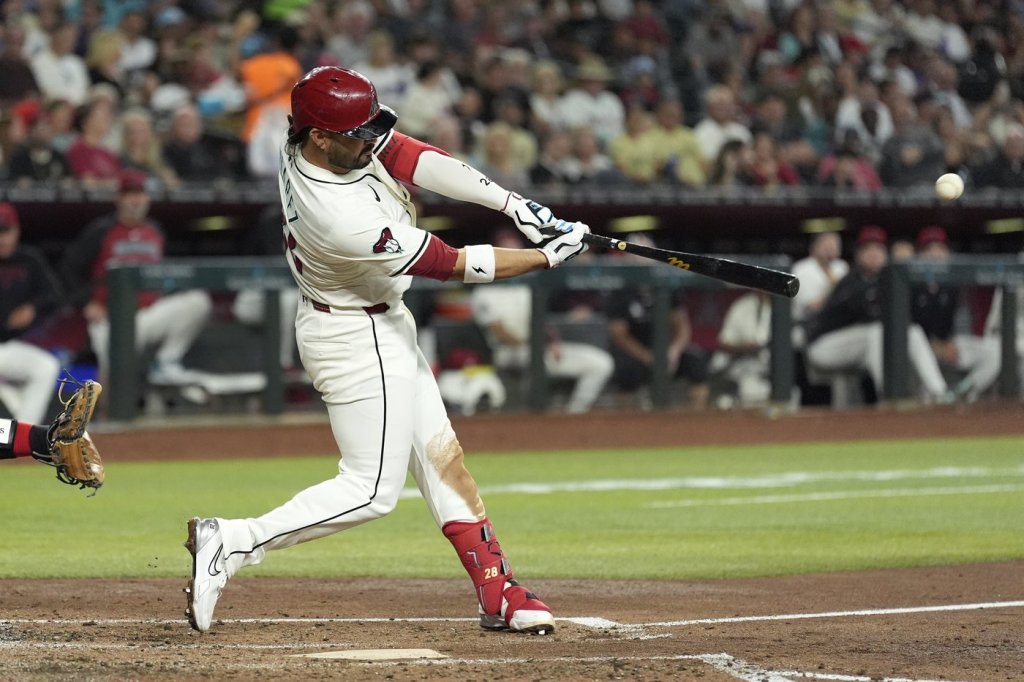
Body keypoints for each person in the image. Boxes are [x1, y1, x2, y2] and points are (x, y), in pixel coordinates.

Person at [184, 66, 591, 635]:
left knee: (441, 457)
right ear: (319, 137)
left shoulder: (318, 141)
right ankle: (232, 541)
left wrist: (515, 206)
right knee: (371, 491)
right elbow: (452, 264)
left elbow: (411, 155)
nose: (370, 141)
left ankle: (497, 589)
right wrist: (547, 256)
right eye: (357, 133)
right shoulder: (339, 216)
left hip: (379, 319)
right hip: (353, 335)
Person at [60, 171, 212, 386]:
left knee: (198, 301)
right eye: (129, 194)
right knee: (112, 385)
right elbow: (68, 269)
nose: (135, 200)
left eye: (140, 194)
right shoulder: (102, 230)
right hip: (112, 320)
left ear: (147, 198)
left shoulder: (155, 231)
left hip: (148, 315)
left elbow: (163, 272)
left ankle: (166, 362)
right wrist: (86, 303)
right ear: (118, 199)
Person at [470, 230, 614, 414]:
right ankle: (531, 414)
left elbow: (541, 321)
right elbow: (500, 333)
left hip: (539, 348)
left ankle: (574, 412)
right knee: (538, 362)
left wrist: (551, 341)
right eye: (506, 251)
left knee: (601, 363)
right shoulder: (484, 292)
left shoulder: (526, 286)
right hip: (507, 351)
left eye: (515, 252)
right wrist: (537, 346)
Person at [804, 225, 950, 403]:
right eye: (867, 249)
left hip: (859, 343)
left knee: (912, 332)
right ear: (858, 255)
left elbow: (915, 315)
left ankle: (939, 393)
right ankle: (890, 397)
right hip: (824, 344)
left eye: (878, 249)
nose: (873, 254)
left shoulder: (889, 280)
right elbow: (867, 313)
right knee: (877, 331)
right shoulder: (851, 280)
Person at [605, 237, 710, 410]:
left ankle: (697, 417)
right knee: (628, 370)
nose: (642, 261)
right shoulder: (620, 290)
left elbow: (682, 327)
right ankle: (627, 420)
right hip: (633, 350)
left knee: (695, 361)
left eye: (646, 255)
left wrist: (673, 351)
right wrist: (647, 357)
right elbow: (619, 335)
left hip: (664, 348)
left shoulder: (667, 286)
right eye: (636, 256)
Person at [911, 226, 1000, 401]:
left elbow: (963, 318)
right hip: (919, 349)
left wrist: (953, 342)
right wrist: (934, 345)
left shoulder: (954, 282)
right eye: (929, 249)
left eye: (940, 248)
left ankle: (962, 393)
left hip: (947, 342)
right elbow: (907, 328)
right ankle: (941, 395)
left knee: (995, 352)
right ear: (919, 254)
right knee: (916, 342)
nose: (935, 254)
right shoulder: (909, 283)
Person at [0, 203, 63, 424]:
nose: (2, 239)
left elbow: (54, 296)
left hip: (11, 346)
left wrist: (33, 308)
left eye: (6, 231)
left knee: (46, 367)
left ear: (16, 231)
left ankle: (22, 433)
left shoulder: (29, 259)